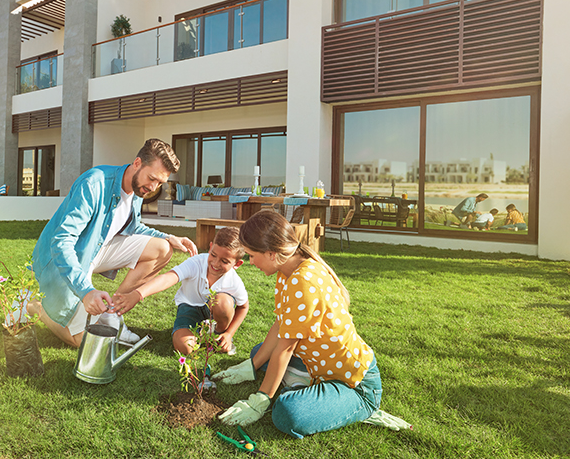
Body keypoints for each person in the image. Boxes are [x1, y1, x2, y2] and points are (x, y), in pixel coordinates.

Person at [212, 210, 398, 437]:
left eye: (252, 255)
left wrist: (260, 398)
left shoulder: (303, 281)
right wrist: (252, 365)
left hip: (353, 383)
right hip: (318, 365)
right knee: (259, 354)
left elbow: (286, 347)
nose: (251, 262)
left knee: (287, 413)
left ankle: (362, 408)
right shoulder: (287, 268)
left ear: (271, 253)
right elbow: (282, 324)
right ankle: (301, 381)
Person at [26, 139, 198, 348]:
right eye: (152, 178)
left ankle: (111, 314)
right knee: (85, 343)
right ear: (137, 163)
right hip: (64, 256)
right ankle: (37, 307)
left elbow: (132, 226)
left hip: (97, 250)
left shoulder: (138, 188)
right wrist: (85, 291)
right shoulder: (94, 183)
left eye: (160, 183)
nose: (153, 188)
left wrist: (169, 237)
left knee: (162, 249)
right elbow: (62, 241)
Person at [114, 227, 249, 356]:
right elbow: (168, 278)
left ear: (237, 264)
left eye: (224, 261)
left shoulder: (233, 281)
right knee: (184, 347)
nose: (215, 263)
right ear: (210, 246)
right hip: (189, 308)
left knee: (222, 302)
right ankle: (200, 333)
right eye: (213, 254)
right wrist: (138, 294)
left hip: (216, 312)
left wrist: (229, 333)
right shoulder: (196, 263)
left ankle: (217, 333)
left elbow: (244, 306)